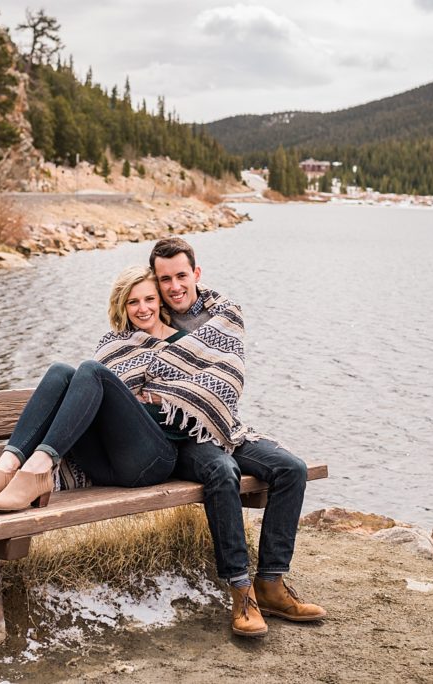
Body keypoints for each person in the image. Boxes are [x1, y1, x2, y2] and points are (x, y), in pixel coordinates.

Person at [147, 236, 327, 638]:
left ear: (196, 273)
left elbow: (225, 382)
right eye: (164, 279)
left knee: (291, 469)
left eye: (181, 275)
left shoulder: (224, 315)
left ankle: (271, 583)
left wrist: (185, 389)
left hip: (227, 425)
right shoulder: (146, 318)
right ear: (154, 282)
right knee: (222, 472)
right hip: (181, 440)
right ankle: (240, 591)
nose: (174, 286)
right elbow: (138, 386)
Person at [0, 266, 185, 510]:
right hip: (103, 464)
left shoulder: (184, 345)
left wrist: (140, 405)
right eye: (133, 302)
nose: (143, 308)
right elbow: (92, 402)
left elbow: (191, 417)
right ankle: (5, 468)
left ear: (160, 301)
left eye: (149, 299)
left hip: (150, 462)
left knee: (91, 370)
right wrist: (128, 399)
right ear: (122, 306)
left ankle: (37, 469)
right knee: (60, 372)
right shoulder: (114, 343)